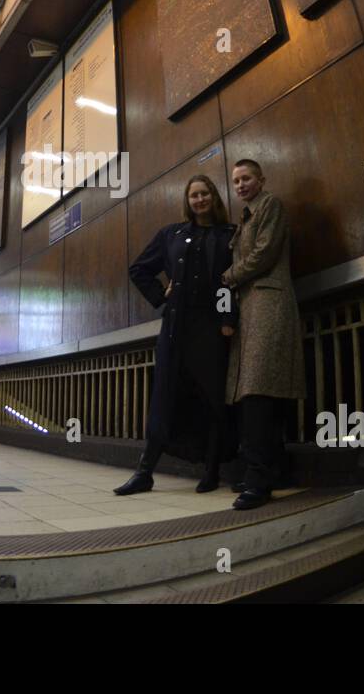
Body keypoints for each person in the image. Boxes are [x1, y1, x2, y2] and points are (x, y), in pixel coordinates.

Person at [115, 176, 238, 496]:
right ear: (188, 200)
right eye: (194, 195)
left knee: (212, 396)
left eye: (205, 193)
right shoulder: (171, 234)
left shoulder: (229, 234)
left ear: (214, 196)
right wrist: (161, 293)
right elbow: (138, 269)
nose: (200, 199)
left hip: (211, 327)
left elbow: (231, 283)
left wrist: (227, 318)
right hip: (175, 326)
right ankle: (144, 472)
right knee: (164, 395)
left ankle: (211, 470)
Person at [221, 159, 306, 510]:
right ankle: (274, 470)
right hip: (251, 309)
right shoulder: (243, 220)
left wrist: (227, 276)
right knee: (260, 392)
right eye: (236, 180)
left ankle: (258, 480)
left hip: (269, 304)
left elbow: (265, 253)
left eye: (246, 178)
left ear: (261, 180)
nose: (240, 185)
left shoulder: (270, 204)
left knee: (257, 390)